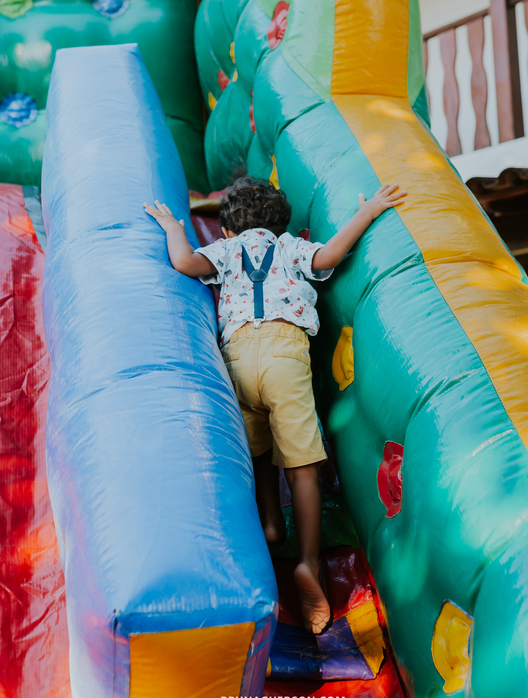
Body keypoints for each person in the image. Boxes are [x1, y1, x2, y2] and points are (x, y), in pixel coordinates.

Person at [144, 177, 405, 634]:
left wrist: (170, 225)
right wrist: (368, 212)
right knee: (301, 467)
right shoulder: (290, 248)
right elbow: (329, 256)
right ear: (281, 224)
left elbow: (183, 261)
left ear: (227, 230)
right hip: (286, 354)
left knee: (256, 454)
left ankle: (268, 523)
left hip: (238, 359)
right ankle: (307, 561)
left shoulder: (225, 252)